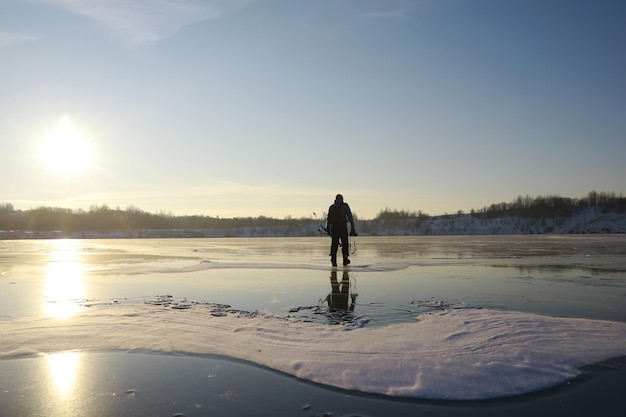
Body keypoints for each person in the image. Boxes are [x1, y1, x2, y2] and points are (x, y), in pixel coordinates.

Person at [325, 194, 357, 267]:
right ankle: (345, 259)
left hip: (334, 228)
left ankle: (333, 260)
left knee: (334, 244)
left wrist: (328, 228)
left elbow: (328, 219)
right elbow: (349, 216)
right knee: (345, 244)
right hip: (342, 227)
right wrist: (352, 226)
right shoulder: (345, 206)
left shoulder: (332, 207)